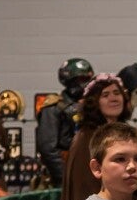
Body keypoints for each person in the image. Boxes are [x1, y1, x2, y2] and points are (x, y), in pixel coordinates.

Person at [59, 74, 137, 200]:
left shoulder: (126, 133)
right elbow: (84, 185)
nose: (113, 98)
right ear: (94, 102)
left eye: (117, 93)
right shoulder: (86, 138)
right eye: (105, 95)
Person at [37, 58, 95, 188]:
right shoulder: (53, 107)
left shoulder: (92, 106)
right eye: (81, 79)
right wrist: (66, 177)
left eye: (88, 79)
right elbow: (48, 148)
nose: (86, 84)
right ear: (70, 81)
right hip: (65, 175)